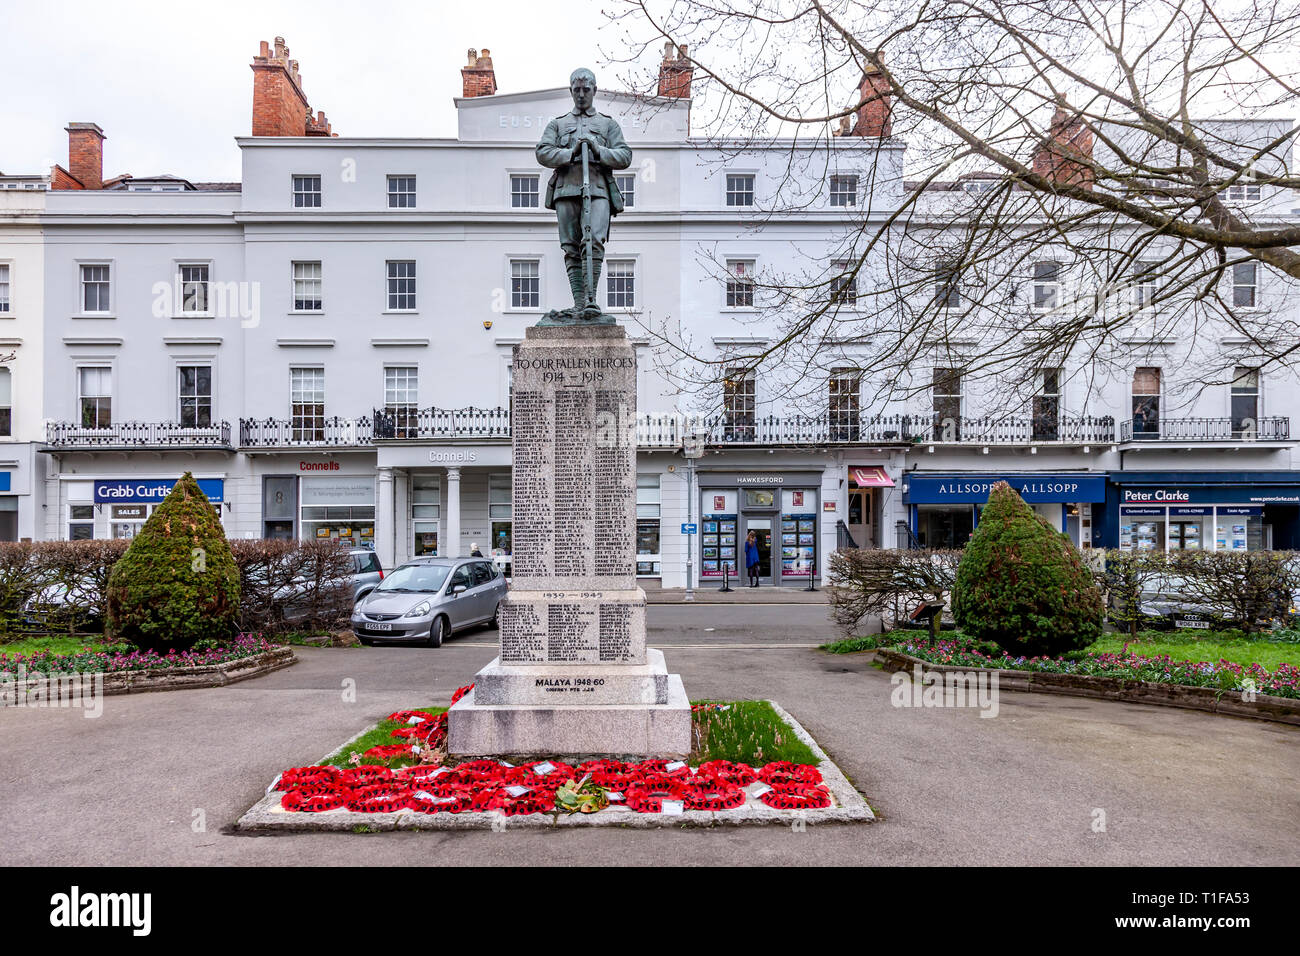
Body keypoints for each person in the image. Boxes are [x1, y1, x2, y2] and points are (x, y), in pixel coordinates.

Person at [534, 67, 632, 319]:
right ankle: (580, 302)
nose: (580, 95)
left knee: (594, 242)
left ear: (594, 91)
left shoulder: (608, 125)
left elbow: (624, 156)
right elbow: (542, 152)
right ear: (570, 91)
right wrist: (570, 154)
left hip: (598, 190)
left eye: (586, 90)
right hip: (566, 190)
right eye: (576, 90)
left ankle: (592, 300)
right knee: (571, 247)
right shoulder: (557, 124)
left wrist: (599, 151)